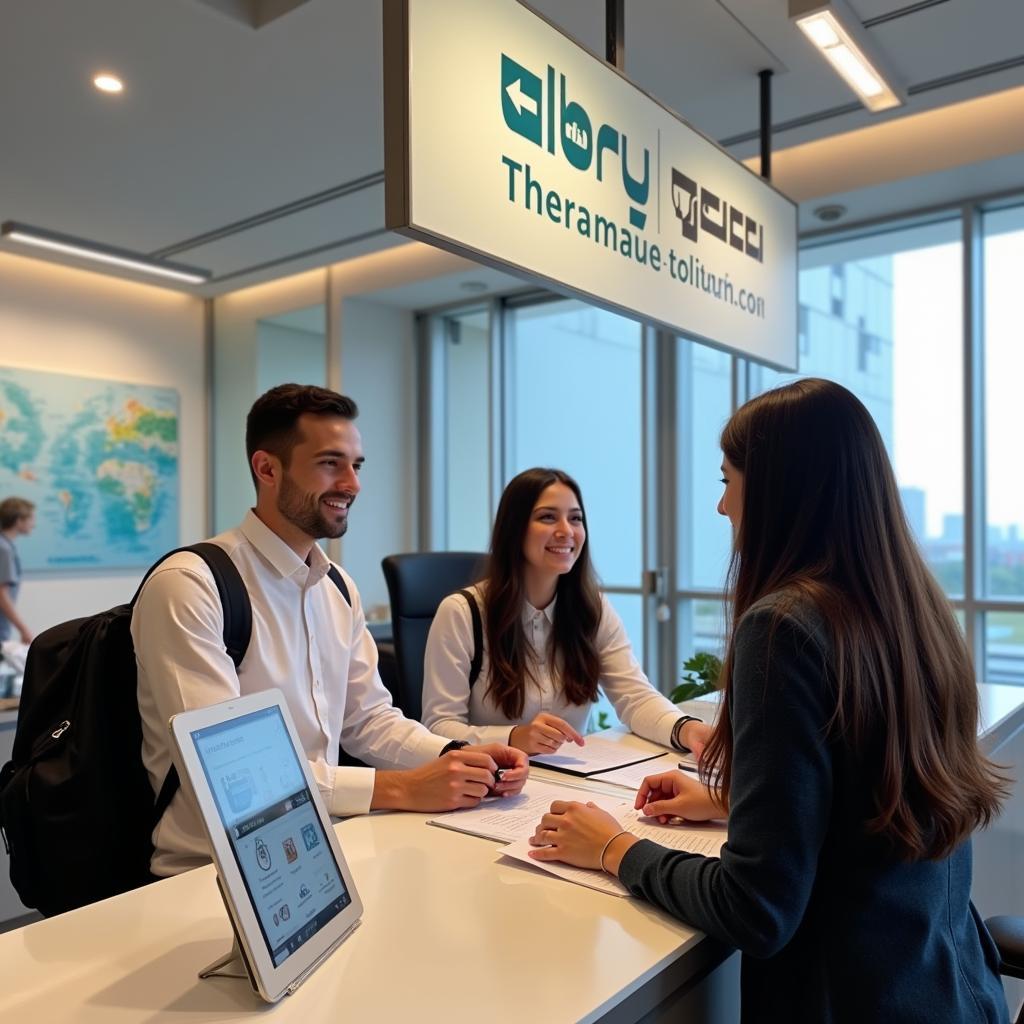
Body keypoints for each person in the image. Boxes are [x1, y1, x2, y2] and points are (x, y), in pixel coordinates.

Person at [526, 379, 1010, 1023]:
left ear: (780, 489)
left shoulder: (783, 627)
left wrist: (614, 849)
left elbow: (757, 909)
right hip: (945, 988)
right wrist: (736, 803)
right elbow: (867, 807)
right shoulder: (915, 611)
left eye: (727, 480)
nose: (722, 506)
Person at [132, 384, 527, 877]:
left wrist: (459, 757)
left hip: (326, 849)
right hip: (211, 874)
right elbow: (228, 775)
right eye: (329, 463)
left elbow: (368, 721)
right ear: (267, 469)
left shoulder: (337, 587)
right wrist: (401, 788)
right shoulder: (191, 584)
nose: (352, 484)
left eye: (356, 465)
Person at [421, 467, 711, 757]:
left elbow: (634, 697)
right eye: (548, 517)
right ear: (514, 528)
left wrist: (687, 730)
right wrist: (514, 737)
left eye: (575, 518)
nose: (566, 531)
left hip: (568, 780)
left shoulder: (592, 608)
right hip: (487, 785)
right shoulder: (462, 612)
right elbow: (439, 727)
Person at [0, 497, 35, 645]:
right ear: (18, 520)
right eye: (31, 518)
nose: (34, 524)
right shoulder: (4, 549)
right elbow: (2, 594)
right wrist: (23, 629)